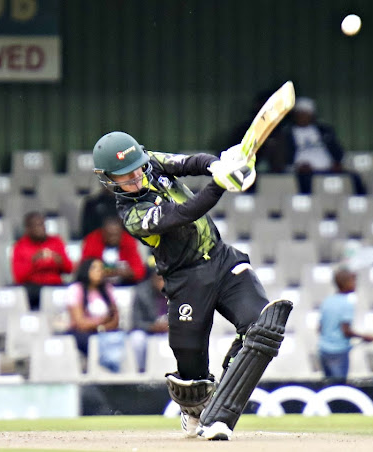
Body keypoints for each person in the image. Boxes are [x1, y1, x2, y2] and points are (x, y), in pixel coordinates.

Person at [92, 131, 292, 441]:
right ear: (108, 178)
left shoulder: (149, 163)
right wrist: (221, 183)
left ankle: (224, 405)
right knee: (191, 374)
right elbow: (185, 212)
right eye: (124, 175)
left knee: (263, 328)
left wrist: (217, 165)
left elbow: (190, 162)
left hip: (222, 260)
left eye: (136, 169)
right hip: (186, 280)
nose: (134, 177)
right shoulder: (132, 214)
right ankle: (196, 410)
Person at [283, 97, 365, 194]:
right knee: (305, 182)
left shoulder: (324, 131)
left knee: (354, 177)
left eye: (306, 113)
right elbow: (284, 161)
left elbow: (339, 152)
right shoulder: (287, 134)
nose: (302, 116)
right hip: (303, 172)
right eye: (300, 113)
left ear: (312, 115)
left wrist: (337, 163)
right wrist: (296, 167)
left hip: (328, 169)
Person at [317, 266, 373, 382]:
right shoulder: (347, 303)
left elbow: (320, 328)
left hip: (323, 350)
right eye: (352, 281)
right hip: (338, 352)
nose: (355, 284)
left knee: (328, 386)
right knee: (339, 386)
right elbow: (346, 331)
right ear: (345, 283)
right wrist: (365, 337)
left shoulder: (327, 301)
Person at [65, 258, 123, 371]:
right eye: (95, 268)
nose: (99, 271)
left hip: (105, 331)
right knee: (95, 342)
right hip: (82, 333)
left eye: (101, 269)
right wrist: (101, 322)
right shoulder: (75, 289)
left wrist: (102, 328)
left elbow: (115, 319)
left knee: (120, 338)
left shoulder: (107, 289)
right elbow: (80, 322)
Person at [11, 211, 73, 310]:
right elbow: (18, 277)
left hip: (55, 285)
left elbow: (69, 269)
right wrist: (33, 261)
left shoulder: (56, 241)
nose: (42, 228)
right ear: (28, 229)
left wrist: (60, 261)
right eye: (37, 225)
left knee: (76, 289)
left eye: (43, 224)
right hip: (33, 288)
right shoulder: (19, 246)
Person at [81, 216, 145, 286]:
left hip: (124, 285)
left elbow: (139, 272)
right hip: (99, 287)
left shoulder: (128, 241)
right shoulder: (92, 240)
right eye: (110, 235)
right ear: (102, 232)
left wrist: (117, 272)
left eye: (116, 235)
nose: (113, 238)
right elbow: (85, 270)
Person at [129, 270, 169, 373]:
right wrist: (152, 327)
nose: (163, 283)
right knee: (137, 339)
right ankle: (141, 371)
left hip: (169, 331)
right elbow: (136, 321)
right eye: (160, 279)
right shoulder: (141, 292)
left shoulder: (176, 291)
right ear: (153, 279)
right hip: (147, 331)